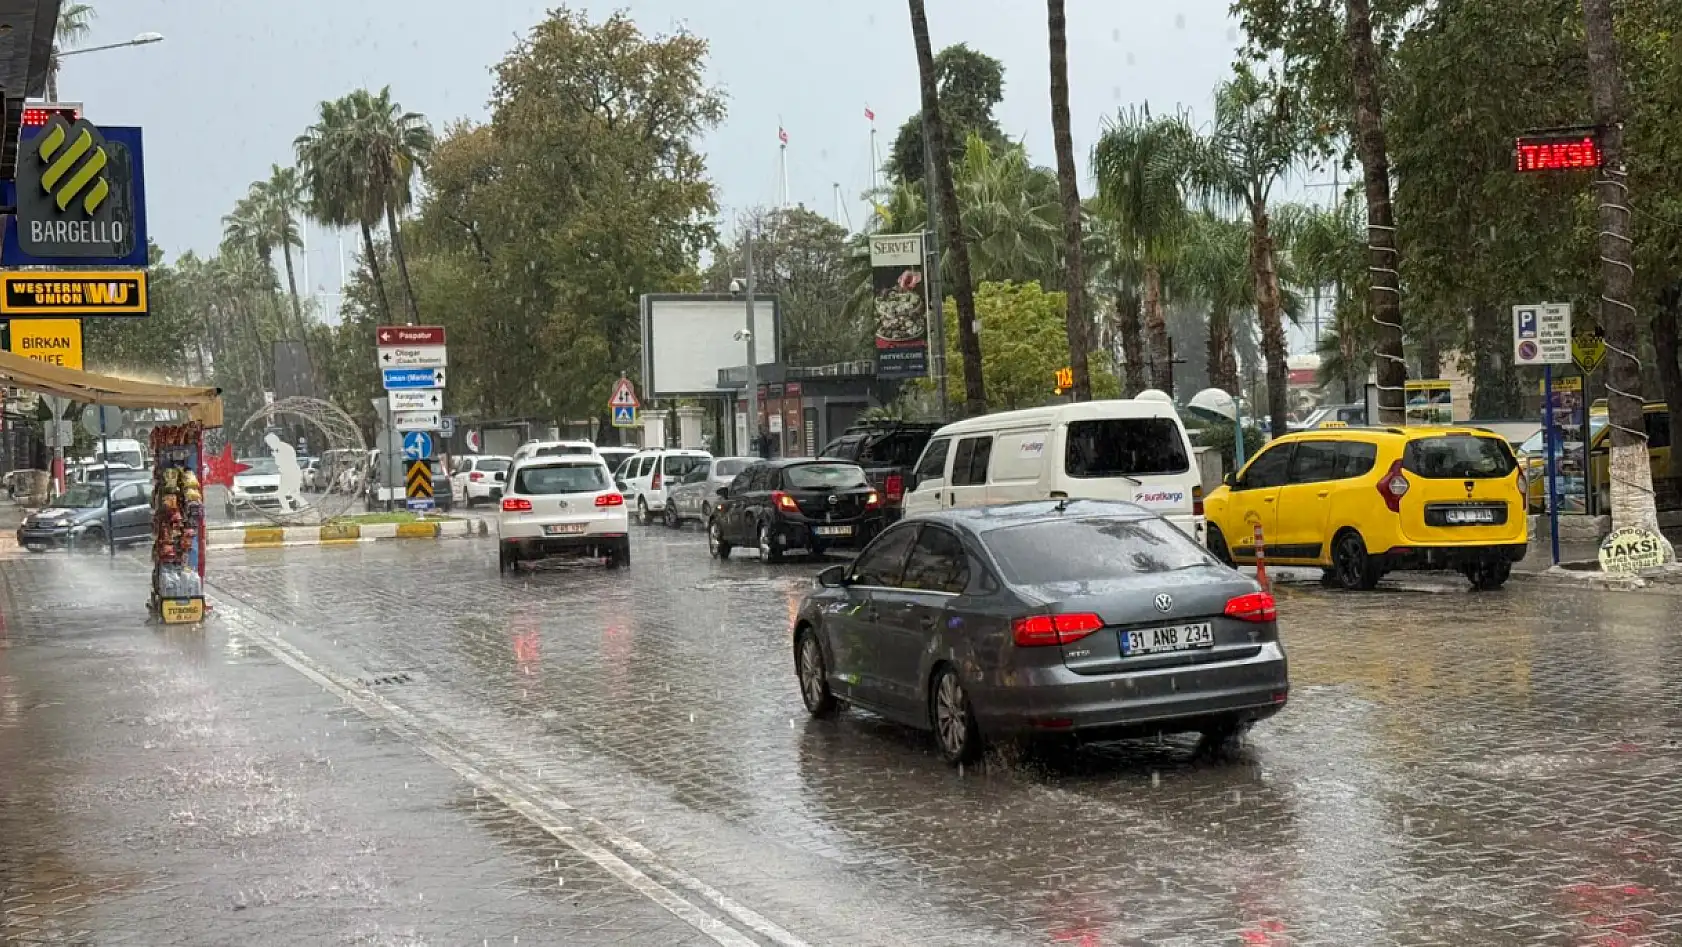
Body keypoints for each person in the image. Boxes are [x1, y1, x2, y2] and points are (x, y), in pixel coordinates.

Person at [264, 432, 304, 512]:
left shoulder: (282, 448)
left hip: (289, 472)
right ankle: (299, 507)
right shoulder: (283, 447)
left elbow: (282, 462)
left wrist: (276, 456)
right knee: (291, 493)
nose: (270, 446)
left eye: (269, 444)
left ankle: (295, 507)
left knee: (285, 494)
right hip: (289, 471)